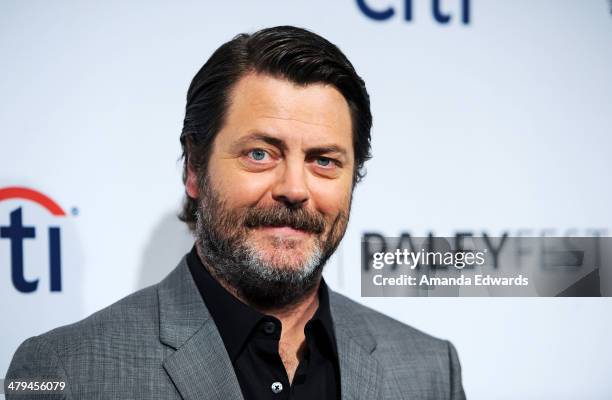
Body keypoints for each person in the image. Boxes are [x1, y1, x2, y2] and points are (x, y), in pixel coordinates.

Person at [6, 26, 466, 400]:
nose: (293, 189)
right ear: (194, 168)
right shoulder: (65, 370)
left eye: (324, 161)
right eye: (261, 154)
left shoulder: (429, 370)